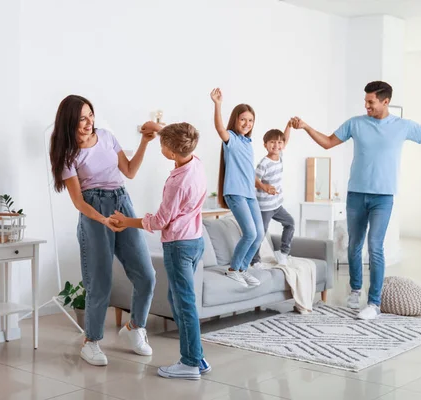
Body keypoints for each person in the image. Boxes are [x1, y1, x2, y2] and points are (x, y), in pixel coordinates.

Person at [292, 81, 421, 320]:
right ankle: (355, 289)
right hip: (356, 194)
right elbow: (327, 142)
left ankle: (374, 303)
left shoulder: (403, 126)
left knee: (375, 246)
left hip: (383, 197)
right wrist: (306, 126)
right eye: (365, 101)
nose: (366, 105)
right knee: (354, 245)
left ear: (385, 101)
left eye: (371, 102)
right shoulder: (356, 124)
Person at [49, 94, 157, 366]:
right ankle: (91, 341)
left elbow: (129, 171)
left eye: (90, 115)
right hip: (93, 211)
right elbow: (78, 201)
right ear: (69, 123)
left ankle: (134, 329)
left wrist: (144, 142)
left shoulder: (107, 137)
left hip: (122, 203)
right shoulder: (68, 154)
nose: (88, 122)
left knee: (146, 274)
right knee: (100, 282)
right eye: (81, 119)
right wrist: (102, 219)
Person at [112, 122, 211, 380]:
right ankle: (197, 358)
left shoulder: (178, 182)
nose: (161, 147)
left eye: (162, 144)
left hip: (179, 245)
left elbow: (159, 221)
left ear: (171, 151)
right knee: (177, 301)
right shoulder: (194, 162)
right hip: (195, 241)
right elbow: (183, 137)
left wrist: (126, 221)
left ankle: (190, 363)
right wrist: (161, 126)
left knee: (183, 303)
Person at [210, 88, 265, 287]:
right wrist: (217, 105)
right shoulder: (231, 139)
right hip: (235, 192)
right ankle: (233, 269)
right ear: (235, 120)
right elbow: (220, 129)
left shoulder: (248, 142)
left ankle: (243, 269)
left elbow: (248, 171)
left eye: (250, 121)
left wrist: (261, 185)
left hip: (250, 194)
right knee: (250, 233)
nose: (247, 124)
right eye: (243, 119)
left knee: (259, 234)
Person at [251, 121, 296, 267]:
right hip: (264, 206)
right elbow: (254, 179)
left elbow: (285, 139)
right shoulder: (264, 163)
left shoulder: (280, 155)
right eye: (272, 142)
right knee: (260, 233)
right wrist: (264, 187)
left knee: (290, 223)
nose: (276, 145)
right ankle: (255, 260)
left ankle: (283, 253)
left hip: (276, 204)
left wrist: (289, 126)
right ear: (265, 145)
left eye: (279, 143)